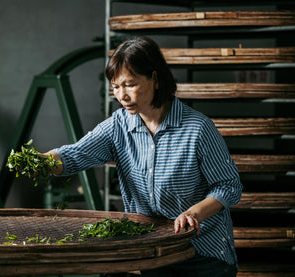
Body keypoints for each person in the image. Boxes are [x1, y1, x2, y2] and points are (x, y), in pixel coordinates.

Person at [43, 36, 242, 276]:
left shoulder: (197, 129)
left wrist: (194, 213)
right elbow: (75, 155)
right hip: (153, 251)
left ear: (155, 79)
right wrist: (42, 162)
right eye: (116, 87)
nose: (121, 96)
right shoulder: (118, 126)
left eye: (130, 84)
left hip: (202, 254)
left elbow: (229, 186)